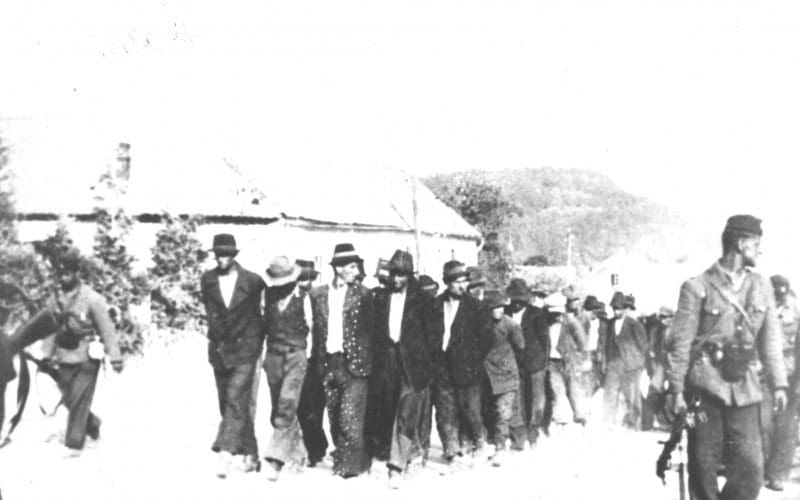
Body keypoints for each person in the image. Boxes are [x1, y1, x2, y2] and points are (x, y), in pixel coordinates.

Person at [664, 215, 788, 500]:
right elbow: (681, 344)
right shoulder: (697, 287)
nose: (760, 250)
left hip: (745, 388)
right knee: (702, 465)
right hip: (704, 389)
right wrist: (676, 390)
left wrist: (779, 383)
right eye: (756, 243)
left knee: (752, 470)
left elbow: (771, 340)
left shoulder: (761, 286)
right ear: (741, 244)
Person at [40, 248, 123, 456]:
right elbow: (50, 327)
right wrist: (46, 355)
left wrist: (115, 356)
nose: (63, 277)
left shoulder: (92, 298)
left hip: (87, 356)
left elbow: (106, 328)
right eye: (61, 273)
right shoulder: (55, 298)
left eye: (68, 273)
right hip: (63, 355)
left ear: (77, 273)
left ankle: (74, 444)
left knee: (78, 398)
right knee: (68, 397)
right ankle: (92, 423)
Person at [200, 234, 265, 477]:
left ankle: (225, 455)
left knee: (235, 398)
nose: (222, 259)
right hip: (220, 350)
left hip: (246, 350)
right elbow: (211, 313)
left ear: (234, 255)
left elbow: (260, 315)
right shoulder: (208, 280)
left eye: (226, 254)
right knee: (228, 403)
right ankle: (251, 453)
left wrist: (255, 344)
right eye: (218, 254)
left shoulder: (253, 281)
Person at [367, 250, 432, 488]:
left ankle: (396, 465)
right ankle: (409, 452)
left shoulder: (423, 300)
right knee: (388, 406)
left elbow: (433, 335)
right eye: (394, 274)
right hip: (387, 358)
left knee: (407, 408)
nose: (396, 279)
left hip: (413, 362)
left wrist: (426, 365)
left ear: (410, 276)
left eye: (402, 275)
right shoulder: (381, 297)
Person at [309, 243, 374, 478]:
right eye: (351, 267)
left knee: (350, 417)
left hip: (354, 364)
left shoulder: (364, 295)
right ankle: (346, 456)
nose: (356, 271)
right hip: (328, 362)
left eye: (356, 267)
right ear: (338, 268)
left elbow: (373, 330)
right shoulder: (318, 294)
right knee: (335, 415)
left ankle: (348, 468)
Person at [429, 260, 492, 469]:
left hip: (467, 367)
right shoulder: (435, 305)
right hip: (441, 365)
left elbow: (486, 339)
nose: (461, 285)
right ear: (447, 282)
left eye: (464, 281)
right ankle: (452, 450)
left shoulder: (477, 307)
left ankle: (480, 443)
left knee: (471, 409)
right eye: (456, 281)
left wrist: (473, 361)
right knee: (445, 409)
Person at [261, 257, 311, 480]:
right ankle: (298, 453)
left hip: (295, 356)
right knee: (279, 407)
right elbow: (261, 325)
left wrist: (310, 358)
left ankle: (275, 459)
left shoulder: (305, 299)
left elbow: (314, 329)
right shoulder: (267, 296)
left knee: (287, 403)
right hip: (273, 356)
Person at [759, 274, 800, 491]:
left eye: (782, 295)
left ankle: (777, 474)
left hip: (790, 376)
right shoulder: (759, 308)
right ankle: (761, 469)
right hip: (764, 375)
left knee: (787, 427)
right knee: (762, 423)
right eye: (775, 294)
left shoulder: (796, 311)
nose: (779, 299)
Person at [482, 290, 524, 466]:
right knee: (489, 411)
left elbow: (520, 346)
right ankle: (489, 443)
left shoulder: (511, 325)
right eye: (494, 307)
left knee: (503, 412)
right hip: (487, 375)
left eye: (501, 307)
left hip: (506, 375)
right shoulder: (483, 324)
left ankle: (501, 447)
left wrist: (509, 363)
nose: (498, 310)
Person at [294, 259, 329, 467]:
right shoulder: (292, 301)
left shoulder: (319, 299)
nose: (304, 283)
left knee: (317, 405)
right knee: (302, 406)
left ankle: (317, 449)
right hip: (300, 359)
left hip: (319, 359)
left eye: (308, 278)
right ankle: (315, 445)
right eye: (300, 278)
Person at [599, 292, 648, 429]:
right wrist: (605, 362)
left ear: (625, 308)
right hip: (614, 364)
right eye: (614, 308)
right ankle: (608, 422)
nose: (616, 311)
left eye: (619, 308)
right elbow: (606, 344)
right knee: (610, 392)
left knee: (631, 395)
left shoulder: (634, 324)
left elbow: (643, 346)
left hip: (630, 365)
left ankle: (633, 424)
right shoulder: (610, 324)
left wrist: (639, 364)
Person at [543, 293, 588, 430]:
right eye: (553, 313)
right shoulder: (546, 323)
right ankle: (561, 419)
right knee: (557, 390)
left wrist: (581, 359)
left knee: (573, 389)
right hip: (552, 362)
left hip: (569, 361)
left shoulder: (571, 322)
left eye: (558, 313)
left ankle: (580, 416)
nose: (556, 316)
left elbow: (582, 342)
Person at [504, 278, 541, 448]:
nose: (517, 303)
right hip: (512, 364)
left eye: (520, 300)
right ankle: (518, 437)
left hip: (533, 365)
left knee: (532, 400)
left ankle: (533, 435)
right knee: (515, 400)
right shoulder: (506, 313)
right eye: (514, 299)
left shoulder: (536, 314)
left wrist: (540, 364)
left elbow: (544, 341)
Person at [641, 306, 673, 431]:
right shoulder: (656, 330)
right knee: (654, 390)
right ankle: (648, 422)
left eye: (666, 317)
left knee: (674, 392)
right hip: (661, 364)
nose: (663, 320)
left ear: (672, 318)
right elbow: (651, 347)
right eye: (662, 317)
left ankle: (670, 422)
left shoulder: (677, 330)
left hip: (674, 365)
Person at [578, 295, 607, 396]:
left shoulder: (601, 323)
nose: (594, 312)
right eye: (591, 310)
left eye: (595, 309)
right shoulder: (581, 322)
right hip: (585, 354)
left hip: (597, 354)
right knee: (586, 380)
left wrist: (602, 355)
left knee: (599, 381)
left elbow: (603, 340)